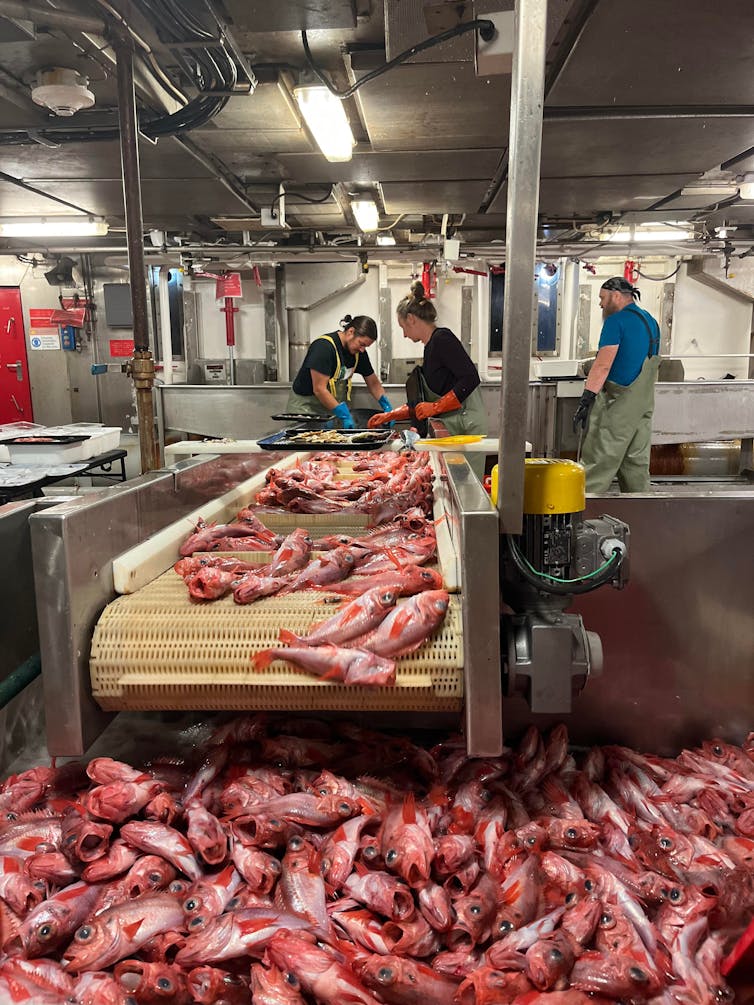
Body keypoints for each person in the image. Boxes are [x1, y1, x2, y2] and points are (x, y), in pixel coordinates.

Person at [369, 280, 487, 477]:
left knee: (466, 483)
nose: (405, 335)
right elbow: (426, 400)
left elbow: (470, 378)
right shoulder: (431, 346)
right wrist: (389, 415)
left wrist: (436, 407)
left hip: (466, 426)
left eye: (403, 327)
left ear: (412, 319)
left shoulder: (442, 339)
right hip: (452, 426)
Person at [573, 276, 660, 493]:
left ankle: (579, 515)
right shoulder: (651, 321)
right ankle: (641, 517)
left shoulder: (616, 321)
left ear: (616, 295)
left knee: (598, 462)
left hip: (618, 403)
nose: (600, 304)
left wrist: (586, 399)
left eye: (602, 298)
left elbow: (603, 365)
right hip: (643, 404)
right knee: (635, 464)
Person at [286, 313, 393, 428]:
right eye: (361, 344)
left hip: (330, 411)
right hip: (306, 411)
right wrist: (344, 415)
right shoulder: (324, 347)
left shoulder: (358, 353)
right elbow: (319, 389)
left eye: (366, 347)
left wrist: (386, 406)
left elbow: (373, 382)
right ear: (351, 332)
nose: (362, 350)